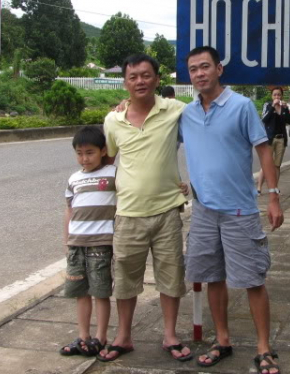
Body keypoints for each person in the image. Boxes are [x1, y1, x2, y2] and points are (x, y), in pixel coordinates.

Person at [180, 46, 284, 374]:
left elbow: (264, 151)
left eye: (205, 67)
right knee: (213, 277)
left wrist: (273, 196)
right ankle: (222, 340)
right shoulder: (187, 113)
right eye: (194, 69)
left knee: (253, 279)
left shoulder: (241, 106)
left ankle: (264, 348)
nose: (199, 74)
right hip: (204, 212)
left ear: (219, 69)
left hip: (240, 210)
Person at [101, 54, 193, 363]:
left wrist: (190, 183)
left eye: (145, 75)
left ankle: (170, 335)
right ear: (125, 82)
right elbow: (110, 160)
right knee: (126, 279)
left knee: (171, 276)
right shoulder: (113, 120)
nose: (139, 81)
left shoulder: (176, 110)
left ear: (156, 78)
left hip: (167, 211)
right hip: (128, 213)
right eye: (133, 77)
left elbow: (204, 134)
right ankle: (123, 337)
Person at [59, 126, 117, 358]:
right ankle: (83, 337)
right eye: (79, 153)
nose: (84, 158)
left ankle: (101, 338)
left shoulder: (114, 174)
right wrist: (66, 242)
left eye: (90, 152)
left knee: (101, 292)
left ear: (103, 151)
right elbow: (69, 210)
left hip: (101, 244)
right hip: (76, 245)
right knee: (80, 292)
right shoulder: (74, 178)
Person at [256, 86, 290, 194]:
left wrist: (284, 110)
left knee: (277, 165)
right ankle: (259, 188)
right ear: (272, 96)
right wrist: (273, 107)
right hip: (269, 139)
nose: (277, 96)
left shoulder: (284, 107)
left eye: (279, 95)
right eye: (275, 95)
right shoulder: (267, 105)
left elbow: (289, 121)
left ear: (281, 96)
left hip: (281, 138)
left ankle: (274, 188)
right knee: (266, 164)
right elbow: (264, 119)